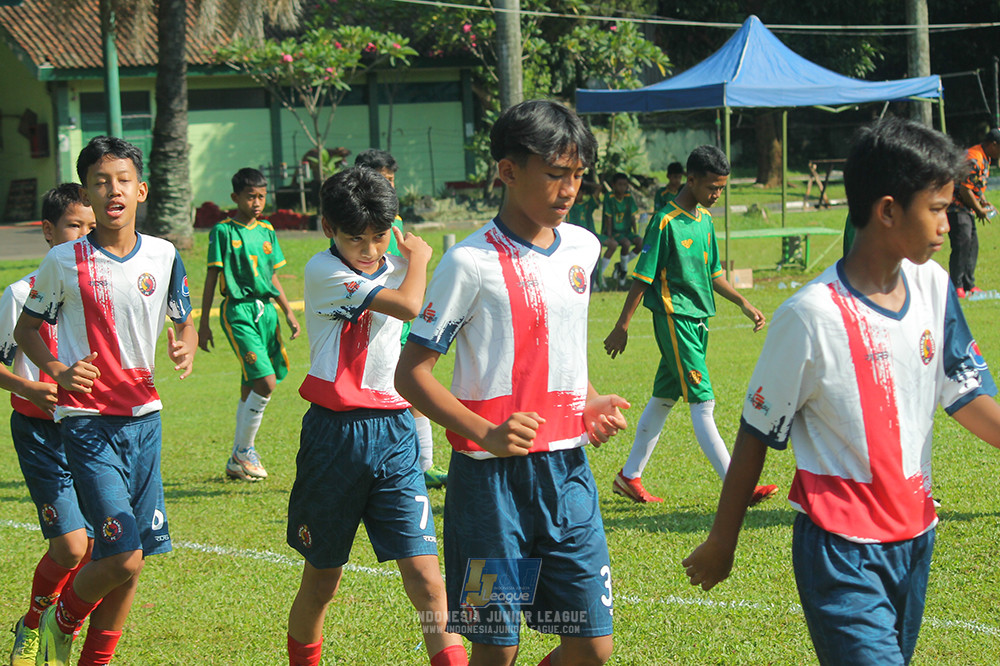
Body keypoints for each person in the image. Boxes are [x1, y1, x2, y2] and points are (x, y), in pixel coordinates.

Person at [682, 117, 1000, 665]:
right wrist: (722, 540)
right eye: (939, 208)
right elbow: (757, 434)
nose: (949, 224)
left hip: (916, 536)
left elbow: (966, 392)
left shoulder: (933, 286)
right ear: (887, 210)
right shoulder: (810, 316)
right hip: (841, 550)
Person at [396, 100, 630, 666]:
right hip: (489, 488)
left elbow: (558, 348)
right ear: (508, 170)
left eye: (577, 174)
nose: (569, 188)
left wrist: (587, 398)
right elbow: (411, 374)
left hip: (569, 478)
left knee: (592, 646)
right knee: (497, 649)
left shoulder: (583, 247)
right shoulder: (469, 263)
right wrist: (486, 433)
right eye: (554, 173)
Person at [14, 135, 196, 665]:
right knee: (121, 553)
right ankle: (59, 618)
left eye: (121, 180)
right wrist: (57, 370)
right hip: (89, 422)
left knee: (131, 562)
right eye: (99, 181)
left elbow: (179, 313)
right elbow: (28, 330)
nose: (111, 190)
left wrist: (182, 341)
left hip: (146, 420)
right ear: (88, 196)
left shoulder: (164, 255)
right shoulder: (63, 261)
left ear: (141, 190)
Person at [286, 167, 467, 666]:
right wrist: (423, 258)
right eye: (354, 238)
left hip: (395, 435)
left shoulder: (397, 267)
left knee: (429, 580)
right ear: (328, 228)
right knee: (323, 581)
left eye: (378, 236)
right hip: (334, 436)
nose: (368, 248)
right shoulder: (323, 272)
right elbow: (411, 305)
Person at [603, 146, 777, 506]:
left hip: (699, 319)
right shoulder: (665, 221)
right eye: (712, 187)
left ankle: (629, 475)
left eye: (721, 189)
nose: (716, 195)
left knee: (665, 398)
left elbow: (713, 273)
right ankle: (737, 487)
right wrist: (623, 325)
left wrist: (744, 303)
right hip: (674, 317)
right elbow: (643, 276)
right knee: (704, 402)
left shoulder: (705, 221)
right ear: (692, 179)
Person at [2, 184, 95, 666]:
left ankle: (66, 627)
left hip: (92, 428)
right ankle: (33, 623)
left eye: (91, 228)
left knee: (104, 548)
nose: (83, 236)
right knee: (70, 547)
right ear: (48, 232)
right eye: (74, 227)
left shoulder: (94, 290)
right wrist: (32, 388)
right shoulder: (18, 294)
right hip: (40, 432)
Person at [353, 148, 449, 488]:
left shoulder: (395, 222)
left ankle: (425, 464)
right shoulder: (355, 224)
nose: (389, 187)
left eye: (392, 181)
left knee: (414, 382)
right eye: (383, 180)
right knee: (384, 387)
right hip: (375, 313)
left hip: (402, 312)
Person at [199, 167, 300, 481]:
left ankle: (236, 460)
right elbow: (211, 277)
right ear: (235, 198)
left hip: (266, 310)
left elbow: (272, 276)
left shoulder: (267, 230)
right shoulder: (223, 231)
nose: (256, 202)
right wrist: (204, 323)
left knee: (250, 383)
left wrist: (287, 311)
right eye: (250, 196)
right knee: (265, 382)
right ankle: (245, 451)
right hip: (239, 311)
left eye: (261, 196)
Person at [947, 127, 1000, 298]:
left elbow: (975, 185)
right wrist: (979, 210)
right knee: (962, 243)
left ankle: (969, 285)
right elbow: (964, 189)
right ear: (993, 144)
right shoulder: (974, 158)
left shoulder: (984, 157)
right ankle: (957, 286)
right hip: (955, 206)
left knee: (972, 244)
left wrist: (983, 201)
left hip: (966, 207)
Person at [566, 178, 615, 289]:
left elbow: (599, 187)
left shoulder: (588, 205)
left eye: (580, 192)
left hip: (592, 235)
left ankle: (599, 273)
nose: (577, 195)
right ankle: (592, 279)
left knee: (613, 244)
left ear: (583, 193)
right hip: (577, 237)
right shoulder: (570, 206)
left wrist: (585, 182)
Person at [601, 172, 642, 288]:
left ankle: (620, 266)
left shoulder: (628, 197)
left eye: (625, 185)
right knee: (626, 243)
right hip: (615, 231)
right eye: (620, 184)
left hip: (627, 231)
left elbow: (633, 216)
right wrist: (609, 235)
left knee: (641, 243)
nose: (622, 187)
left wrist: (635, 232)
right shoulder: (609, 197)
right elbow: (608, 217)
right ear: (613, 185)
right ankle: (624, 272)